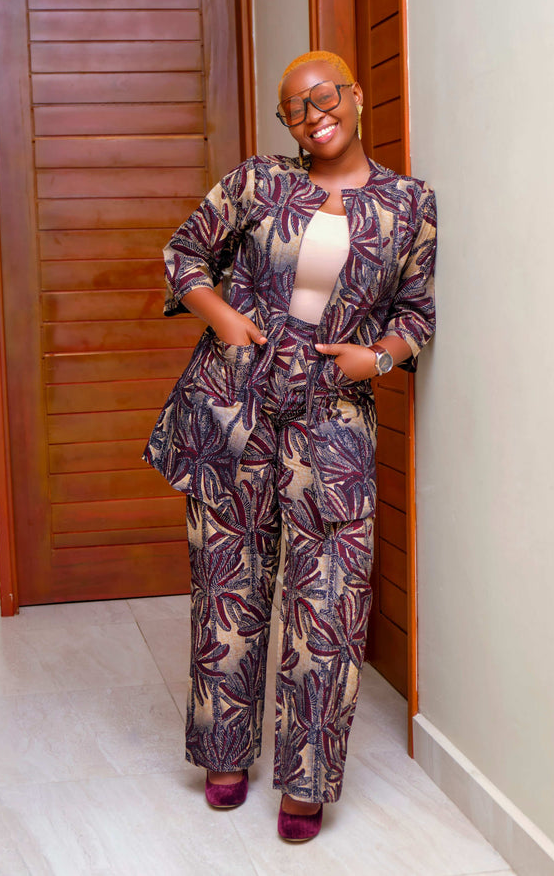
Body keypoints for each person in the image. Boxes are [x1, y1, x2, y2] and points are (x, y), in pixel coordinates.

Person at [143, 50, 437, 842]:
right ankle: (225, 754)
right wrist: (225, 320)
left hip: (334, 424)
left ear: (356, 96)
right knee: (228, 588)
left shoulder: (410, 204)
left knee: (329, 603)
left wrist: (377, 360)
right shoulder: (257, 182)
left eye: (323, 96)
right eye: (294, 109)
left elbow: (416, 314)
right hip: (233, 409)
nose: (313, 116)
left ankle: (307, 779)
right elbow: (183, 254)